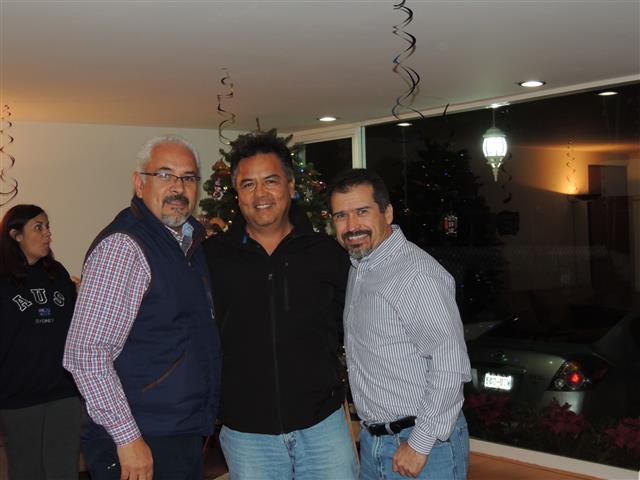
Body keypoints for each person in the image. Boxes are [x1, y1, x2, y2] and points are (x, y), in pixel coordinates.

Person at [63, 135, 221, 480]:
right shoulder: (124, 247)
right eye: (164, 175)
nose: (178, 187)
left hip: (177, 431)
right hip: (140, 439)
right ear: (139, 183)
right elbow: (85, 353)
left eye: (188, 177)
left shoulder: (188, 244)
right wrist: (128, 438)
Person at [203, 130, 358, 480]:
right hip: (247, 435)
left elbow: (355, 326)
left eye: (270, 181)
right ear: (237, 193)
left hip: (323, 426)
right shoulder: (211, 259)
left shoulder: (327, 254)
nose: (260, 194)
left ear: (290, 185)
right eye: (248, 184)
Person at [328, 168, 471, 480]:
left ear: (387, 212)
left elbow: (450, 364)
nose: (351, 226)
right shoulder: (361, 267)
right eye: (341, 216)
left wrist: (419, 443)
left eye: (362, 212)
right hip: (375, 442)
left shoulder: (415, 274)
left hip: (423, 445)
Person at [0, 204, 82, 480]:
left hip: (64, 392)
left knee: (64, 471)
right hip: (18, 396)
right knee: (27, 472)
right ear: (16, 235)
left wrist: (83, 296)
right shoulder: (3, 280)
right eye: (38, 227)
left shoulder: (56, 273)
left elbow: (74, 325)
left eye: (47, 226)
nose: (47, 233)